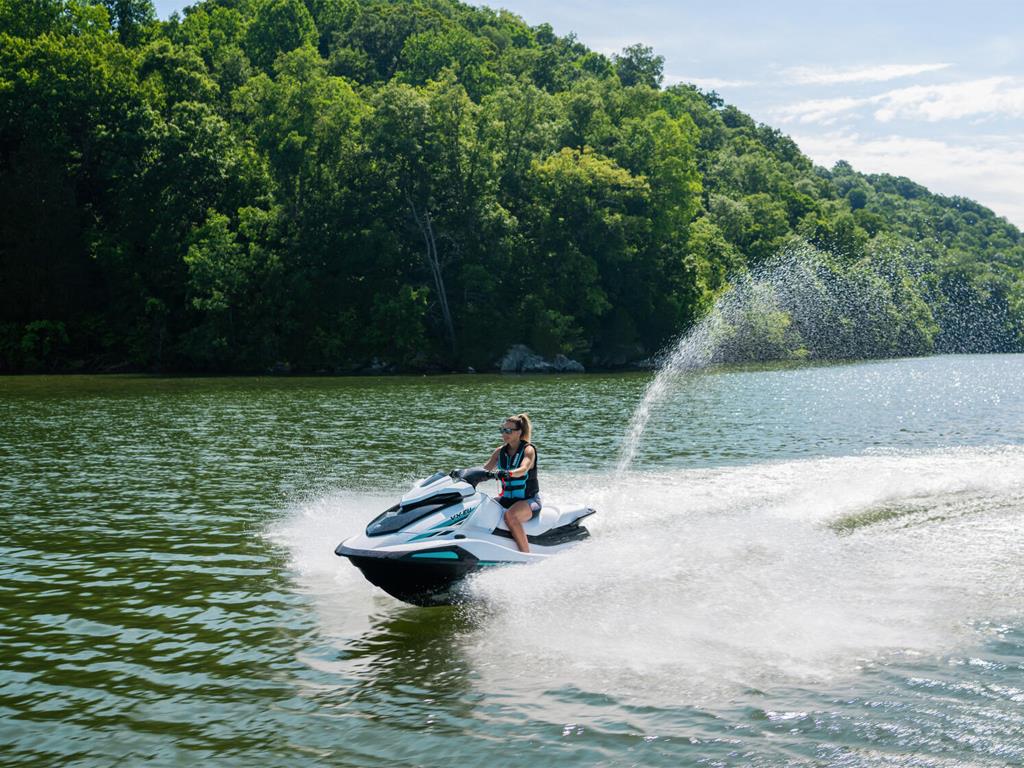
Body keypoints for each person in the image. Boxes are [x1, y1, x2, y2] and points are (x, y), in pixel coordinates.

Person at [484, 413, 541, 553]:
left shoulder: (528, 450)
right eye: (503, 430)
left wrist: (509, 473)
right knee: (480, 506)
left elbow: (524, 468)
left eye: (509, 430)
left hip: (529, 501)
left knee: (511, 516)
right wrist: (464, 474)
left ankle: (526, 555)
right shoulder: (499, 452)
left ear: (519, 432)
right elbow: (484, 470)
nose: (505, 433)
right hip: (506, 499)